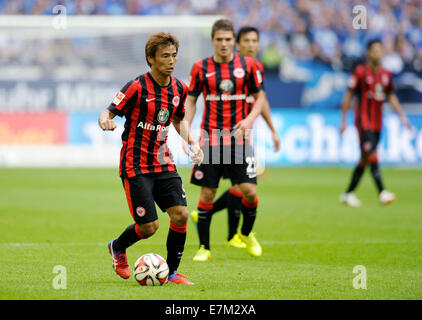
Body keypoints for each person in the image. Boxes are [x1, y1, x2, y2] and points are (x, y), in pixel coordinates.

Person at [98, 32, 203, 284]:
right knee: (149, 227)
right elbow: (107, 112)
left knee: (181, 215)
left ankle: (173, 272)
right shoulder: (136, 87)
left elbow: (178, 119)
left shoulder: (179, 88)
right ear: (151, 59)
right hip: (135, 165)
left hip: (162, 160)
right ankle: (117, 247)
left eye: (174, 55)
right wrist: (106, 121)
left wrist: (191, 141)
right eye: (165, 56)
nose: (171, 61)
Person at [190, 25, 280, 249]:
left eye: (254, 41)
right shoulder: (205, 68)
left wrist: (268, 128)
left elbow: (262, 100)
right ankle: (227, 237)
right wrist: (186, 130)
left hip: (241, 136)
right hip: (212, 138)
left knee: (244, 189)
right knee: (221, 190)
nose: (251, 45)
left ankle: (238, 234)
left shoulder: (252, 67)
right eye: (247, 41)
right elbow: (192, 99)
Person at [339, 39, 411, 207]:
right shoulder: (360, 72)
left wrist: (402, 116)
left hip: (378, 122)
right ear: (368, 53)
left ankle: (348, 194)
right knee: (372, 154)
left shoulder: (386, 74)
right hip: (363, 121)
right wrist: (343, 120)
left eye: (380, 50)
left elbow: (391, 96)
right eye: (375, 50)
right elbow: (349, 94)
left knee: (365, 159)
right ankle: (382, 192)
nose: (378, 53)